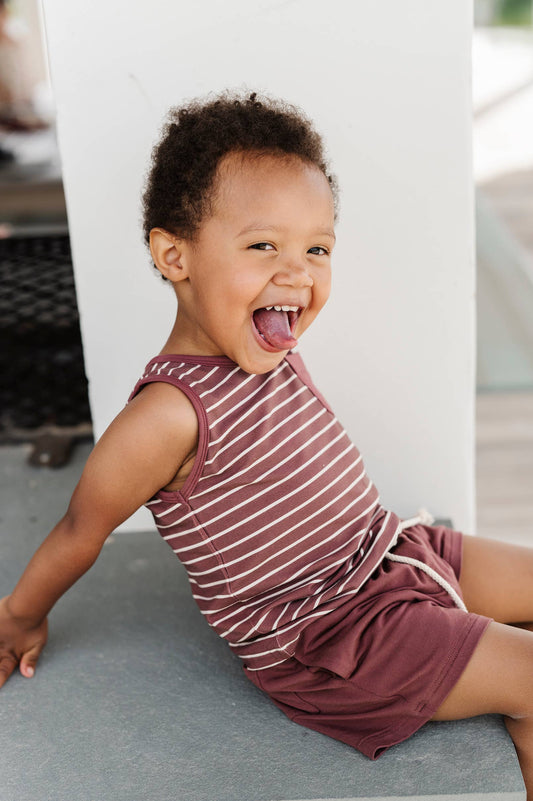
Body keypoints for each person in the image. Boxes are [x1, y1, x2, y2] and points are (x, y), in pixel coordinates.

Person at [1, 90, 533, 796]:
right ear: (174, 254)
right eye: (262, 245)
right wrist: (19, 615)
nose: (298, 271)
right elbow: (79, 529)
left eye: (317, 247)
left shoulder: (263, 342)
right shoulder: (165, 417)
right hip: (329, 633)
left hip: (389, 550)